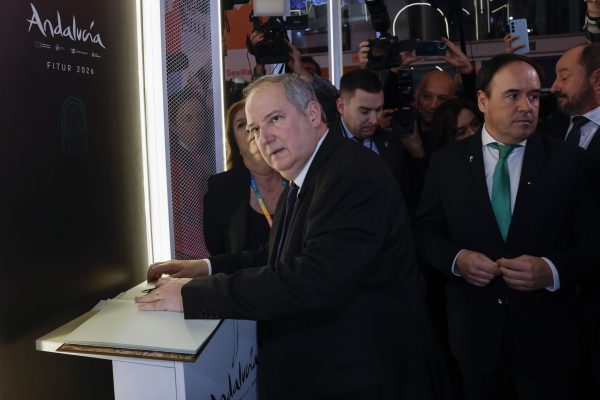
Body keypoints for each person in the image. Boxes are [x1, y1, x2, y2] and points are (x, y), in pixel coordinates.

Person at [136, 74, 448, 399]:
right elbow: (277, 255)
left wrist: (192, 295)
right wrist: (206, 268)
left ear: (312, 114)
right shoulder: (307, 173)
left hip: (360, 378)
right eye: (254, 129)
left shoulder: (350, 175)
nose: (264, 138)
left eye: (275, 119)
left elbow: (311, 277)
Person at [415, 53, 587, 400]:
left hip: (548, 341)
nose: (527, 106)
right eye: (513, 95)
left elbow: (594, 242)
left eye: (534, 96)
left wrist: (551, 270)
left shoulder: (569, 161)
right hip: (475, 342)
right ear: (483, 100)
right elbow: (424, 233)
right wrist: (457, 260)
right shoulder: (446, 164)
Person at [543, 42, 600, 398]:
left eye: (564, 76)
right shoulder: (549, 131)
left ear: (597, 80)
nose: (554, 86)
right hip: (558, 303)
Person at [203, 100, 284, 256]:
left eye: (255, 123)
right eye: (241, 124)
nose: (250, 129)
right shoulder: (221, 188)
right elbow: (218, 252)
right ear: (234, 143)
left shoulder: (295, 176)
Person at [331, 68, 412, 209]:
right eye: (364, 112)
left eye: (379, 109)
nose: (374, 120)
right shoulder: (321, 146)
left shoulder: (393, 142)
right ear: (341, 106)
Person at [168, 89, 214, 259]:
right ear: (173, 127)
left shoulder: (207, 157)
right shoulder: (172, 166)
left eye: (201, 117)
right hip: (186, 251)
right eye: (188, 119)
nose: (197, 124)